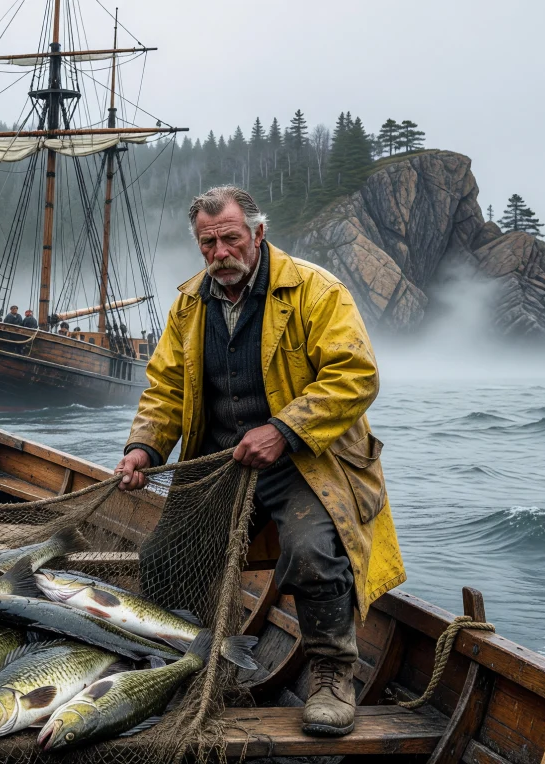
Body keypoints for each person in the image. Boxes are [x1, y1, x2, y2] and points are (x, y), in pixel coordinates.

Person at [114, 186, 404, 738]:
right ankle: (189, 666)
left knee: (313, 551)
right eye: (208, 243)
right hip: (220, 464)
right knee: (165, 560)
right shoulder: (188, 304)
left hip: (305, 460)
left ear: (258, 234)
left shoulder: (317, 290)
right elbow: (164, 389)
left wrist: (283, 429)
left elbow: (356, 376)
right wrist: (142, 449)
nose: (220, 252)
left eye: (230, 238)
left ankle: (331, 675)